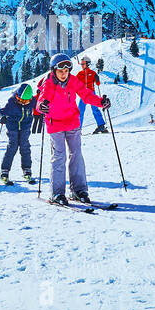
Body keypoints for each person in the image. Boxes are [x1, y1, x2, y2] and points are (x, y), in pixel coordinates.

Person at [36, 52, 109, 205]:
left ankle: (79, 190)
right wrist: (41, 106)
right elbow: (42, 99)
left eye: (66, 71)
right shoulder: (49, 83)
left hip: (72, 123)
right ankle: (57, 193)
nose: (64, 74)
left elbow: (86, 95)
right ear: (53, 70)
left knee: (76, 155)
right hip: (55, 125)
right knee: (59, 157)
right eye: (60, 71)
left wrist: (101, 102)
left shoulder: (73, 81)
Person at [0, 83, 37, 184]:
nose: (23, 103)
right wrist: (1, 118)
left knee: (25, 147)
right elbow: (0, 112)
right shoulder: (12, 103)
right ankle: (4, 171)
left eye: (26, 101)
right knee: (12, 147)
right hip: (13, 127)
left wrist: (44, 111)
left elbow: (39, 106)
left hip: (25, 127)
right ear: (17, 96)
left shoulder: (32, 102)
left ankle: (27, 170)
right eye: (21, 100)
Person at [76, 55, 107, 134]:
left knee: (95, 109)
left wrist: (97, 79)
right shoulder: (80, 74)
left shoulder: (92, 73)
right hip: (83, 94)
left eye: (83, 64)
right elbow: (74, 82)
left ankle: (101, 126)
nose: (82, 65)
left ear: (87, 64)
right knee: (80, 111)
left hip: (91, 93)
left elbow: (98, 83)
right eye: (81, 64)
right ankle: (78, 129)